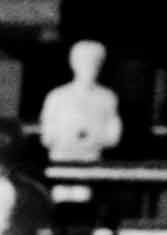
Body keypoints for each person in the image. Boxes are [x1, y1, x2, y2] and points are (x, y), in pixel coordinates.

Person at [37, 39, 121, 202]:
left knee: (83, 202)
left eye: (94, 63)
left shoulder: (107, 98)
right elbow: (47, 134)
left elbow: (113, 135)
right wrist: (66, 136)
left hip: (89, 161)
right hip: (62, 160)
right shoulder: (57, 96)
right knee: (60, 200)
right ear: (74, 64)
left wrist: (93, 137)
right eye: (84, 62)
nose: (89, 68)